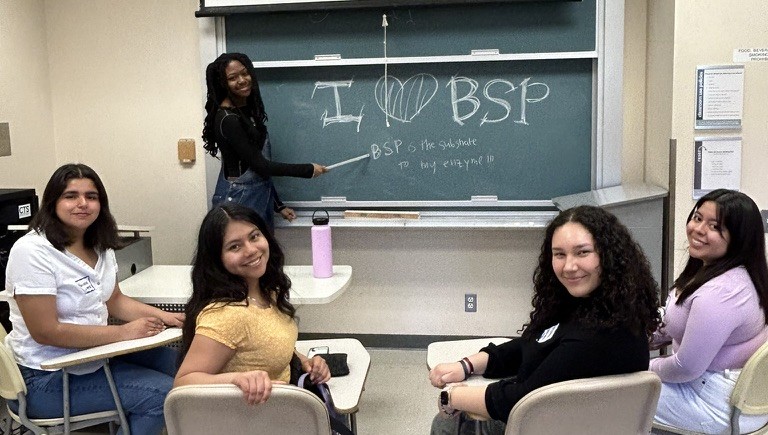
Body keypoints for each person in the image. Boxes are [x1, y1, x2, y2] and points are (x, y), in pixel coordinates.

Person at [428, 205, 661, 434]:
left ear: (608, 255)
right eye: (559, 254)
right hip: (573, 422)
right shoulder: (597, 307)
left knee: (445, 424)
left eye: (582, 252)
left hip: (551, 424)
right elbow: (535, 343)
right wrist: (468, 365)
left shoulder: (596, 338)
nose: (569, 266)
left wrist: (451, 396)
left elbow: (521, 400)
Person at [3, 163, 185, 435]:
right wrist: (122, 332)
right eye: (71, 196)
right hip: (46, 378)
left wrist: (167, 318)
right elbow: (45, 332)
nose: (82, 204)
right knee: (164, 396)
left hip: (95, 358)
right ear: (53, 202)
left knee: (187, 367)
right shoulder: (32, 251)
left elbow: (115, 301)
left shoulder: (99, 244)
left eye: (91, 196)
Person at [174, 203, 330, 404]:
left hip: (280, 409)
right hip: (249, 421)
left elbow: (265, 343)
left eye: (254, 236)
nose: (251, 250)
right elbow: (182, 384)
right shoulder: (226, 315)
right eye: (235, 246)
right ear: (217, 259)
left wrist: (305, 362)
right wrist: (236, 379)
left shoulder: (267, 291)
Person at [650, 189, 768, 433]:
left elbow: (685, 368)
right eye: (697, 217)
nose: (699, 229)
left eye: (715, 227)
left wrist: (638, 365)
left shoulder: (722, 294)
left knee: (610, 393)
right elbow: (677, 318)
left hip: (716, 404)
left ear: (739, 238)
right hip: (722, 390)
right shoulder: (731, 272)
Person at [203, 52, 328, 232]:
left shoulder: (245, 111)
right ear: (222, 83)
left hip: (258, 197)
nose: (242, 80)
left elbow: (256, 170)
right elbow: (261, 166)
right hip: (239, 200)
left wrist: (278, 205)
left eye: (245, 73)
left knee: (262, 253)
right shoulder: (228, 118)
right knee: (244, 255)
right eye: (232, 77)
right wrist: (308, 170)